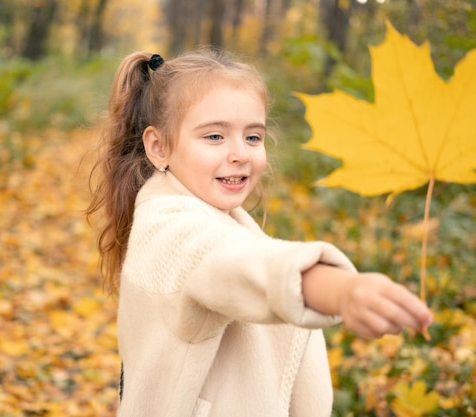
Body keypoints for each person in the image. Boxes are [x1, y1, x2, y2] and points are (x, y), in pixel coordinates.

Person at [86, 49, 432, 417]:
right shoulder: (169, 227)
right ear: (159, 147)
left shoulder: (215, 212)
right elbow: (238, 264)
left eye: (253, 137)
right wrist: (342, 290)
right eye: (215, 136)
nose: (240, 153)